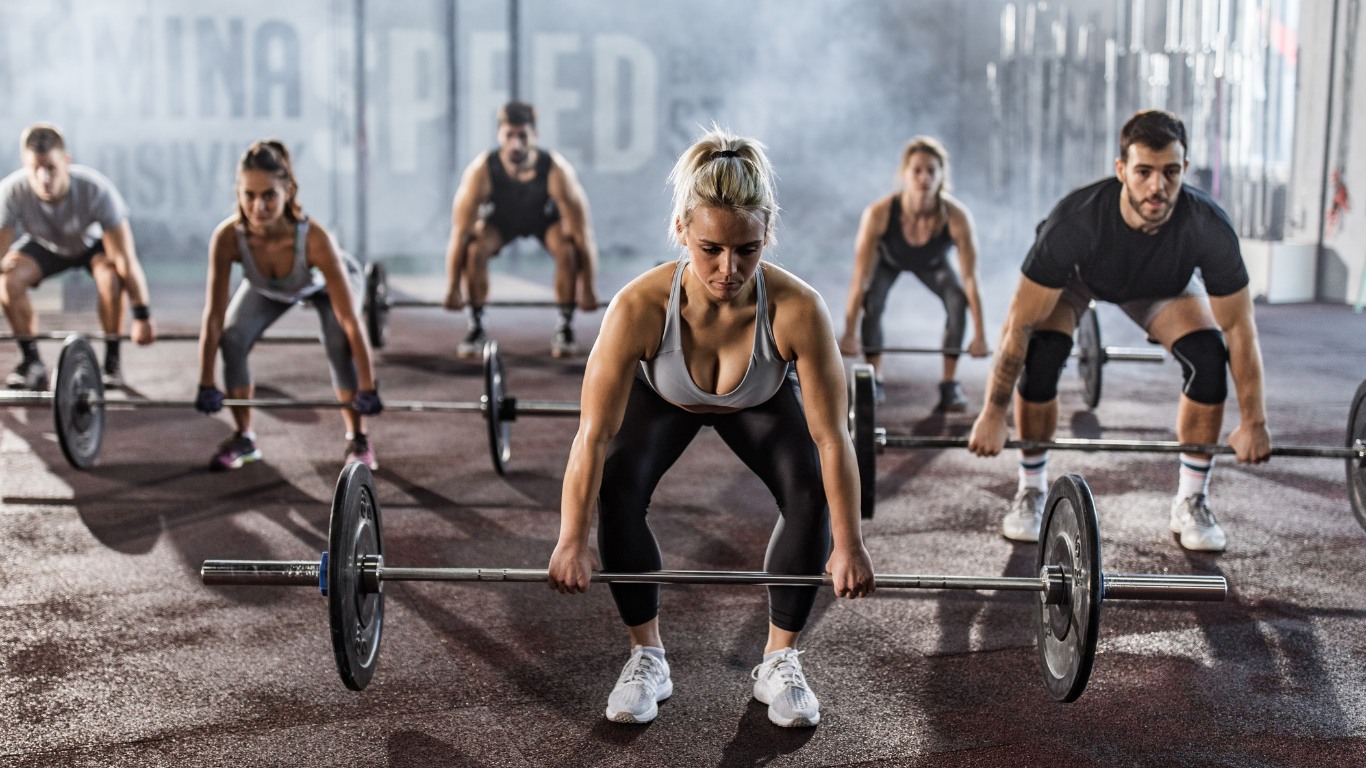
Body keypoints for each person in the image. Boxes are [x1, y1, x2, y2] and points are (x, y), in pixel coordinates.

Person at [547, 128, 876, 728]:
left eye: (747, 250)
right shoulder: (638, 307)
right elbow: (590, 437)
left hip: (760, 399)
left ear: (766, 234)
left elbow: (834, 438)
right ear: (680, 232)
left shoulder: (798, 308)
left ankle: (780, 661)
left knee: (808, 490)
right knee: (617, 486)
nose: (729, 269)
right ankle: (647, 655)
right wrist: (571, 538)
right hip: (665, 395)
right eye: (710, 250)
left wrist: (849, 544)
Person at [967, 109, 1272, 552]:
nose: (1158, 186)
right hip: (1078, 279)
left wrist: (1254, 423)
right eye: (1144, 171)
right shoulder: (1076, 220)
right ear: (1121, 170)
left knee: (1208, 356)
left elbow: (1241, 330)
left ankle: (1191, 499)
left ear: (1184, 169)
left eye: (1170, 172)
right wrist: (993, 413)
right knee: (1042, 352)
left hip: (1162, 287)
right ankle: (1031, 488)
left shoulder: (1207, 225)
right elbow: (1020, 322)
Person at [195, 140, 382, 471]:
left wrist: (367, 386)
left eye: (269, 195)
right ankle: (244, 438)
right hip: (270, 288)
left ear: (288, 191)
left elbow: (351, 320)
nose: (259, 206)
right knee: (232, 338)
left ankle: (358, 438)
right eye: (249, 195)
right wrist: (207, 381)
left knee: (338, 340)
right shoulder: (227, 239)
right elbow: (213, 317)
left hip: (323, 286)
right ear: (237, 193)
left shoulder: (314, 239)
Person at [0, 123, 156, 390]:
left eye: (50, 168)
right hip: (45, 246)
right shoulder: (12, 192)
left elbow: (126, 260)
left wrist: (142, 315)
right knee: (8, 280)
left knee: (112, 278)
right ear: (24, 165)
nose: (43, 178)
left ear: (67, 162)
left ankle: (112, 364)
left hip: (90, 246)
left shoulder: (96, 190)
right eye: (35, 169)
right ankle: (32, 361)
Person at [839, 136, 988, 410]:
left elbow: (970, 279)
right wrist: (849, 332)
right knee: (873, 298)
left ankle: (949, 385)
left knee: (956, 298)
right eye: (917, 170)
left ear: (942, 175)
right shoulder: (879, 213)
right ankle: (875, 379)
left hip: (932, 264)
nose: (924, 177)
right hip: (889, 260)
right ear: (904, 174)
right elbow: (860, 277)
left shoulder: (957, 217)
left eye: (931, 170)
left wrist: (980, 335)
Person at [443, 100, 601, 358]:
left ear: (534, 136)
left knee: (568, 249)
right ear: (500, 136)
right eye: (509, 135)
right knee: (473, 249)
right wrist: (452, 287)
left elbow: (584, 234)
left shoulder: (556, 170)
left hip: (543, 220)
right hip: (500, 222)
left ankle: (564, 325)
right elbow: (459, 233)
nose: (516, 144)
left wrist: (590, 287)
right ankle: (476, 325)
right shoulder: (481, 170)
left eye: (523, 136)